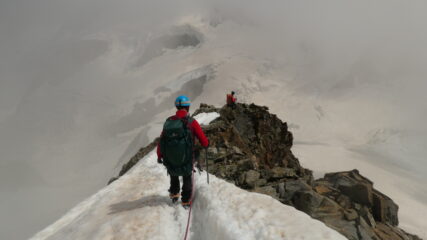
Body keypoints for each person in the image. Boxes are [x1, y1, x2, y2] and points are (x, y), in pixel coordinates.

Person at [157, 95, 209, 208]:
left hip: (170, 157)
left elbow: (161, 140)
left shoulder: (169, 122)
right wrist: (206, 144)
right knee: (186, 176)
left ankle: (174, 193)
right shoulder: (191, 122)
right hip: (187, 157)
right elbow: (203, 139)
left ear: (176, 107)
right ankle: (185, 200)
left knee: (173, 174)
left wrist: (159, 155)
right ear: (188, 107)